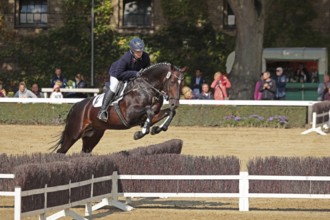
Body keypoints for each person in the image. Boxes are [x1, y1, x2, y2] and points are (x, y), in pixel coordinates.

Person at [97, 37, 151, 122]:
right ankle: (102, 111)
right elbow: (119, 74)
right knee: (114, 86)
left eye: (141, 51)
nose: (140, 53)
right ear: (132, 51)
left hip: (134, 74)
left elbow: (148, 70)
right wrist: (135, 73)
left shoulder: (145, 56)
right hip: (117, 73)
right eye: (137, 51)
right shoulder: (125, 58)